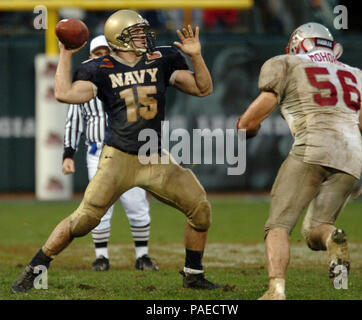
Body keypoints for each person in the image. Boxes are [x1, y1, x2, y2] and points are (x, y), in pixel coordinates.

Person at [12, 9, 219, 292]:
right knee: (83, 221)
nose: (143, 37)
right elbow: (64, 94)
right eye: (135, 33)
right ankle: (36, 267)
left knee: (201, 210)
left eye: (143, 31)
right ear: (118, 38)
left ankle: (193, 274)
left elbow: (203, 88)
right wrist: (64, 53)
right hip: (117, 157)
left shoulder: (163, 58)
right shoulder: (99, 67)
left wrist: (196, 55)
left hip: (154, 154)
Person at [237, 22, 362, 299]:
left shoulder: (286, 64)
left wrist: (247, 128)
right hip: (352, 157)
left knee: (278, 225)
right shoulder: (354, 73)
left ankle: (275, 290)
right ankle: (333, 240)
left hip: (312, 148)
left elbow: (248, 123)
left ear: (299, 44)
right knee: (315, 230)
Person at [62, 35, 158, 272]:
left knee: (137, 203)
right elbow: (74, 121)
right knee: (98, 205)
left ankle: (143, 256)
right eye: (98, 53)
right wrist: (68, 154)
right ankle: (101, 257)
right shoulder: (84, 82)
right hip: (98, 152)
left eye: (107, 52)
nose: (102, 56)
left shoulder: (129, 77)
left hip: (129, 151)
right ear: (90, 56)